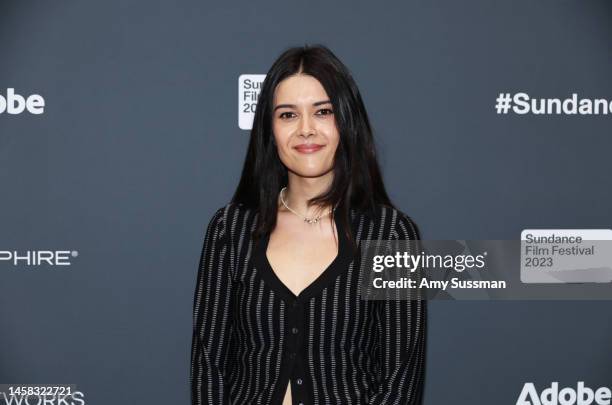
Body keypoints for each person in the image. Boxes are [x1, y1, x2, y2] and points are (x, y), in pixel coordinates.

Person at [191, 44, 426, 405]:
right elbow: (209, 369)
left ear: (347, 120)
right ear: (269, 129)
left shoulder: (390, 235)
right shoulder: (230, 230)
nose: (305, 130)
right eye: (287, 115)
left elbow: (400, 382)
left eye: (323, 112)